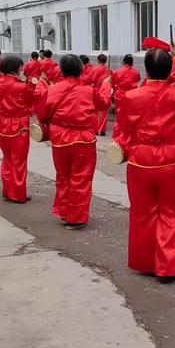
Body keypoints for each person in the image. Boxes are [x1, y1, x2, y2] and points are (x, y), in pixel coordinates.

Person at [114, 42, 175, 282]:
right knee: (171, 214)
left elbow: (123, 130)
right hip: (172, 162)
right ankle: (168, 266)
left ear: (146, 70)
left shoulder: (130, 96)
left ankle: (146, 263)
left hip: (141, 162)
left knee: (142, 214)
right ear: (170, 70)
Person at [35, 54, 111, 230]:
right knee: (81, 178)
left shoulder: (52, 90)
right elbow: (104, 104)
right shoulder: (89, 91)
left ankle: (64, 211)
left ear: (61, 70)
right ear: (81, 69)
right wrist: (106, 86)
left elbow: (42, 114)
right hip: (83, 140)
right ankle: (75, 217)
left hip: (60, 138)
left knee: (63, 176)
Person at [0, 56, 36, 204]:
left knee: (7, 158)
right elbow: (34, 99)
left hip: (2, 122)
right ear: (16, 68)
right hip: (18, 124)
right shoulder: (21, 86)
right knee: (19, 160)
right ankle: (18, 193)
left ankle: (8, 190)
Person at [111, 54, 140, 139]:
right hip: (132, 96)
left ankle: (117, 136)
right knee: (130, 116)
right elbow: (137, 79)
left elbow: (112, 83)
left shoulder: (118, 71)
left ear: (123, 62)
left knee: (119, 117)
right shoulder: (136, 72)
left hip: (120, 97)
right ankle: (129, 135)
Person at [92, 54, 111, 136]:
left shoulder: (95, 69)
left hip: (96, 91)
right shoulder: (109, 70)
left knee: (95, 112)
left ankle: (96, 129)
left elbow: (92, 80)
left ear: (98, 60)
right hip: (105, 91)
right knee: (104, 111)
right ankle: (102, 130)